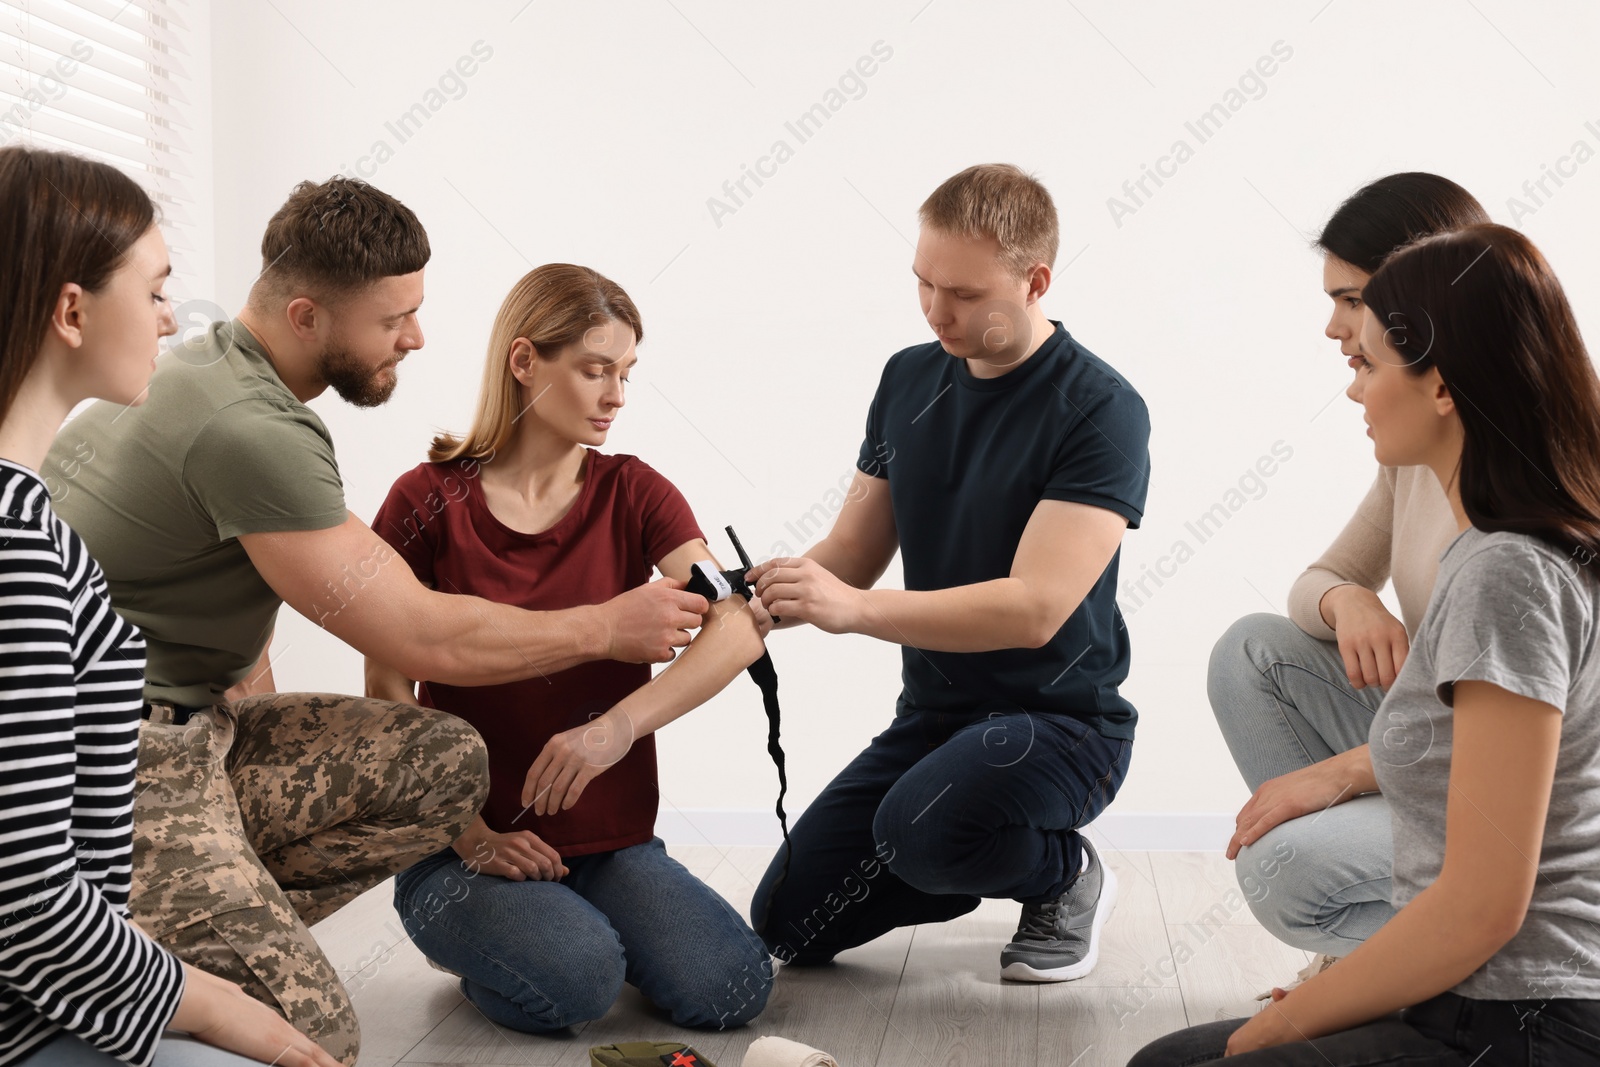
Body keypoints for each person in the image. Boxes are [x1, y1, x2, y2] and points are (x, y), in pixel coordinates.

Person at [40, 179, 709, 1063]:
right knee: (316, 1040)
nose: (418, 337)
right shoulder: (255, 427)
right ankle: (129, 944)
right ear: (309, 315)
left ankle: (193, 907)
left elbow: (233, 591)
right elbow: (417, 637)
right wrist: (603, 628)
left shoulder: (209, 368)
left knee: (443, 756)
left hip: (190, 725)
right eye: (395, 317)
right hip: (116, 761)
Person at [1134, 223, 1600, 1063]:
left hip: (1526, 1014)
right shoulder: (1495, 550)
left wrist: (1277, 1025)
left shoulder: (1510, 576)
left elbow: (1484, 907)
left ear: (1442, 387)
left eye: (1367, 366)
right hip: (1471, 992)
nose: (1354, 391)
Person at [745, 163, 1151, 981]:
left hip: (1062, 724)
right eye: (924, 283)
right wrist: (744, 592)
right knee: (790, 919)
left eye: (963, 293)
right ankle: (954, 846)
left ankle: (1063, 873)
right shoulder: (907, 378)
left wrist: (852, 611)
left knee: (922, 829)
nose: (936, 311)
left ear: (1036, 281)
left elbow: (1034, 609)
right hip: (935, 717)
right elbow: (851, 554)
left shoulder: (1103, 409)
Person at [365, 263, 774, 1032]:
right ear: (525, 362)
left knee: (732, 987)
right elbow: (387, 688)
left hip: (608, 842)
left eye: (625, 373)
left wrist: (615, 727)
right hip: (467, 850)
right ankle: (498, 938)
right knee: (580, 985)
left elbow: (737, 622)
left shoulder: (636, 491)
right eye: (594, 370)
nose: (616, 395)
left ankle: (562, 926)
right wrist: (468, 835)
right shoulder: (425, 501)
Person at [0, 145, 340, 1067]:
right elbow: (24, 894)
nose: (169, 320)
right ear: (71, 309)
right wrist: (209, 1003)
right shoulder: (15, 542)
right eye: (155, 291)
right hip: (27, 1017)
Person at [1208, 174, 1491, 1008]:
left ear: (1422, 300)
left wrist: (1342, 774)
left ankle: (1425, 970)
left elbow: (1519, 734)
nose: (1335, 329)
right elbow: (1319, 579)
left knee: (1286, 864)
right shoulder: (1420, 442)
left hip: (1514, 794)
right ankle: (1377, 962)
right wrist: (1349, 600)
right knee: (1253, 649)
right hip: (1440, 746)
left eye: (1352, 299)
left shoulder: (1527, 505)